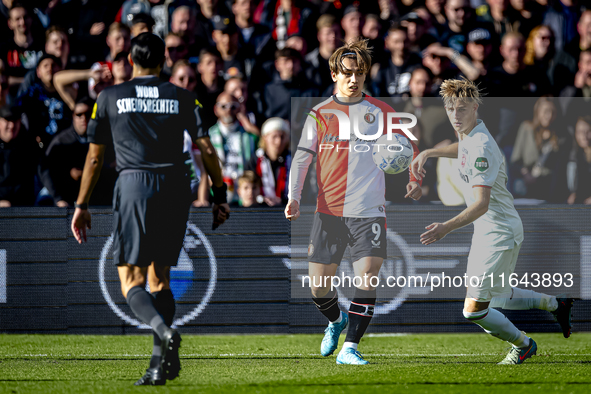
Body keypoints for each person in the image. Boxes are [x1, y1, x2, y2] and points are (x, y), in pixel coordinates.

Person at [70, 33, 230, 386]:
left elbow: (95, 156)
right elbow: (206, 148)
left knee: (131, 281)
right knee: (161, 279)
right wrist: (220, 194)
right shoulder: (185, 97)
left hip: (134, 187)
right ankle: (159, 364)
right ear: (163, 61)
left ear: (130, 58)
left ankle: (163, 331)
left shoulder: (109, 97)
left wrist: (81, 204)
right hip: (175, 188)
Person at [410, 78, 575, 365]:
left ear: (475, 107)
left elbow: (481, 204)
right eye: (450, 109)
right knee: (498, 298)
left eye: (461, 109)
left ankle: (523, 344)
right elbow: (461, 150)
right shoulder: (469, 134)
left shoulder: (481, 145)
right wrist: (429, 152)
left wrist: (445, 228)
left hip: (498, 232)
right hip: (490, 231)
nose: (455, 115)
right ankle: (555, 304)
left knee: (473, 310)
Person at [285, 38, 423, 365]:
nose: (353, 78)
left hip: (369, 210)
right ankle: (336, 321)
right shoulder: (319, 114)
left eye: (359, 73)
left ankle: (351, 347)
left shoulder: (382, 112)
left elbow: (411, 149)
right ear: (334, 73)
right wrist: (293, 197)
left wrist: (414, 179)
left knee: (368, 275)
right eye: (346, 72)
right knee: (319, 287)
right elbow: (302, 159)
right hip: (329, 212)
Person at [247, 117, 290, 206]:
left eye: (282, 137)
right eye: (274, 137)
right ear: (265, 137)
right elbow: (248, 185)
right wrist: (261, 198)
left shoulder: (294, 161)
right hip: (260, 208)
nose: (278, 141)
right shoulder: (255, 160)